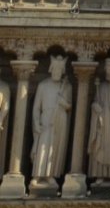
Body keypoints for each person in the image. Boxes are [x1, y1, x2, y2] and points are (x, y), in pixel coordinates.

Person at [31, 55, 72, 183]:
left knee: (55, 146)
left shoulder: (67, 86)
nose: (57, 73)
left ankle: (51, 175)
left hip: (60, 119)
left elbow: (69, 106)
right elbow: (36, 107)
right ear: (51, 69)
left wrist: (63, 102)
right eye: (55, 70)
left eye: (60, 71)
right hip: (46, 118)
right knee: (42, 145)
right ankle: (37, 175)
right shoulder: (43, 85)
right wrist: (36, 122)